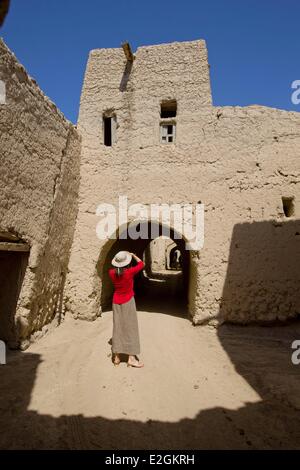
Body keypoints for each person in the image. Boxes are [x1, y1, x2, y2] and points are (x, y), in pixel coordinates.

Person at [108, 251, 145, 368]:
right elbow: (141, 264)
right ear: (126, 263)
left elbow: (115, 270)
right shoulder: (129, 272)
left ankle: (117, 357)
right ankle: (131, 358)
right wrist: (133, 255)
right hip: (128, 300)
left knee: (117, 327)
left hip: (116, 301)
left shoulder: (111, 273)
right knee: (131, 327)